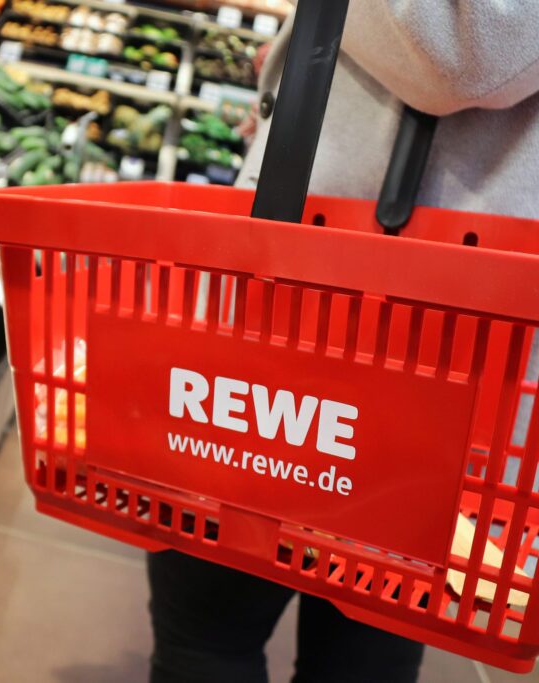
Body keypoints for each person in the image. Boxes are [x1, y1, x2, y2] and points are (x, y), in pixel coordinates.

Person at [150, 2, 539, 681]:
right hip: (397, 319)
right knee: (326, 638)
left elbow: (472, 47)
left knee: (213, 634)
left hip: (359, 314)